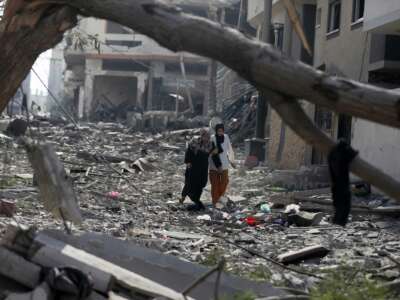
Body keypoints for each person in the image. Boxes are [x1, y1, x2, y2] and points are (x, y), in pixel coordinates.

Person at [181, 129, 214, 211]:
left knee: (201, 183)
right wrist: (188, 162)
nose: (207, 138)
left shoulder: (210, 144)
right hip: (193, 166)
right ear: (202, 136)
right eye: (205, 136)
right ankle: (184, 197)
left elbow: (215, 152)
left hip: (203, 167)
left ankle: (196, 202)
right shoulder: (195, 141)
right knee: (189, 183)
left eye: (208, 136)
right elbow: (188, 151)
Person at [209, 123, 235, 207]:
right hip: (214, 165)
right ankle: (215, 202)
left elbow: (230, 150)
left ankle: (220, 199)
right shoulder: (212, 138)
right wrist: (217, 166)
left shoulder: (226, 137)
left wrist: (232, 161)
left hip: (224, 164)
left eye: (221, 131)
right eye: (218, 131)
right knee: (215, 184)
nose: (220, 132)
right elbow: (212, 153)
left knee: (224, 182)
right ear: (216, 131)